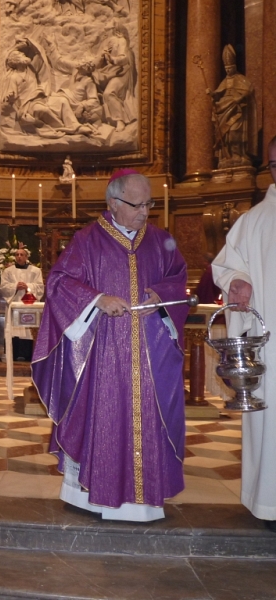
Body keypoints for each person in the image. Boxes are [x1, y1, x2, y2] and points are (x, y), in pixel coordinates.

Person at [32, 169, 188, 522]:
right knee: (104, 416)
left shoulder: (160, 240)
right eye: (137, 204)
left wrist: (161, 294)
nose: (145, 212)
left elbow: (179, 279)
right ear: (113, 203)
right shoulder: (87, 241)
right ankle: (91, 496)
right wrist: (97, 298)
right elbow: (59, 283)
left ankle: (145, 504)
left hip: (150, 353)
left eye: (149, 204)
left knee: (149, 417)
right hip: (102, 353)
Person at [211, 135, 276, 531]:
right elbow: (227, 265)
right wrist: (237, 282)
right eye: (272, 164)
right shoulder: (253, 221)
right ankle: (270, 504)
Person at [206, 44, 257, 169]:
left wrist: (240, 97)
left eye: (231, 67)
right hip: (225, 109)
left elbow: (249, 90)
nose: (228, 70)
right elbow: (218, 93)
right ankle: (227, 156)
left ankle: (238, 154)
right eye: (226, 68)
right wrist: (211, 93)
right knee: (226, 135)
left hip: (237, 110)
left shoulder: (241, 79)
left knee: (235, 132)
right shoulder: (225, 81)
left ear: (235, 67)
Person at [0, 247, 44, 361]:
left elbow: (40, 287)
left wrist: (28, 286)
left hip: (29, 304)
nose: (19, 257)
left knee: (28, 329)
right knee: (14, 329)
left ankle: (28, 354)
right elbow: (3, 286)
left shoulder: (35, 271)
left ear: (26, 257)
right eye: (17, 255)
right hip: (14, 303)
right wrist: (15, 286)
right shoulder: (8, 271)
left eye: (22, 255)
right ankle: (14, 353)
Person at [93, 22, 136, 132]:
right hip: (107, 74)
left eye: (109, 26)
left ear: (114, 29)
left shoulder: (121, 41)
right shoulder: (105, 42)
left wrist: (113, 59)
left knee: (109, 93)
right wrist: (102, 56)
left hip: (121, 72)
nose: (106, 27)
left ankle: (119, 120)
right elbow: (97, 62)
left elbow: (124, 58)